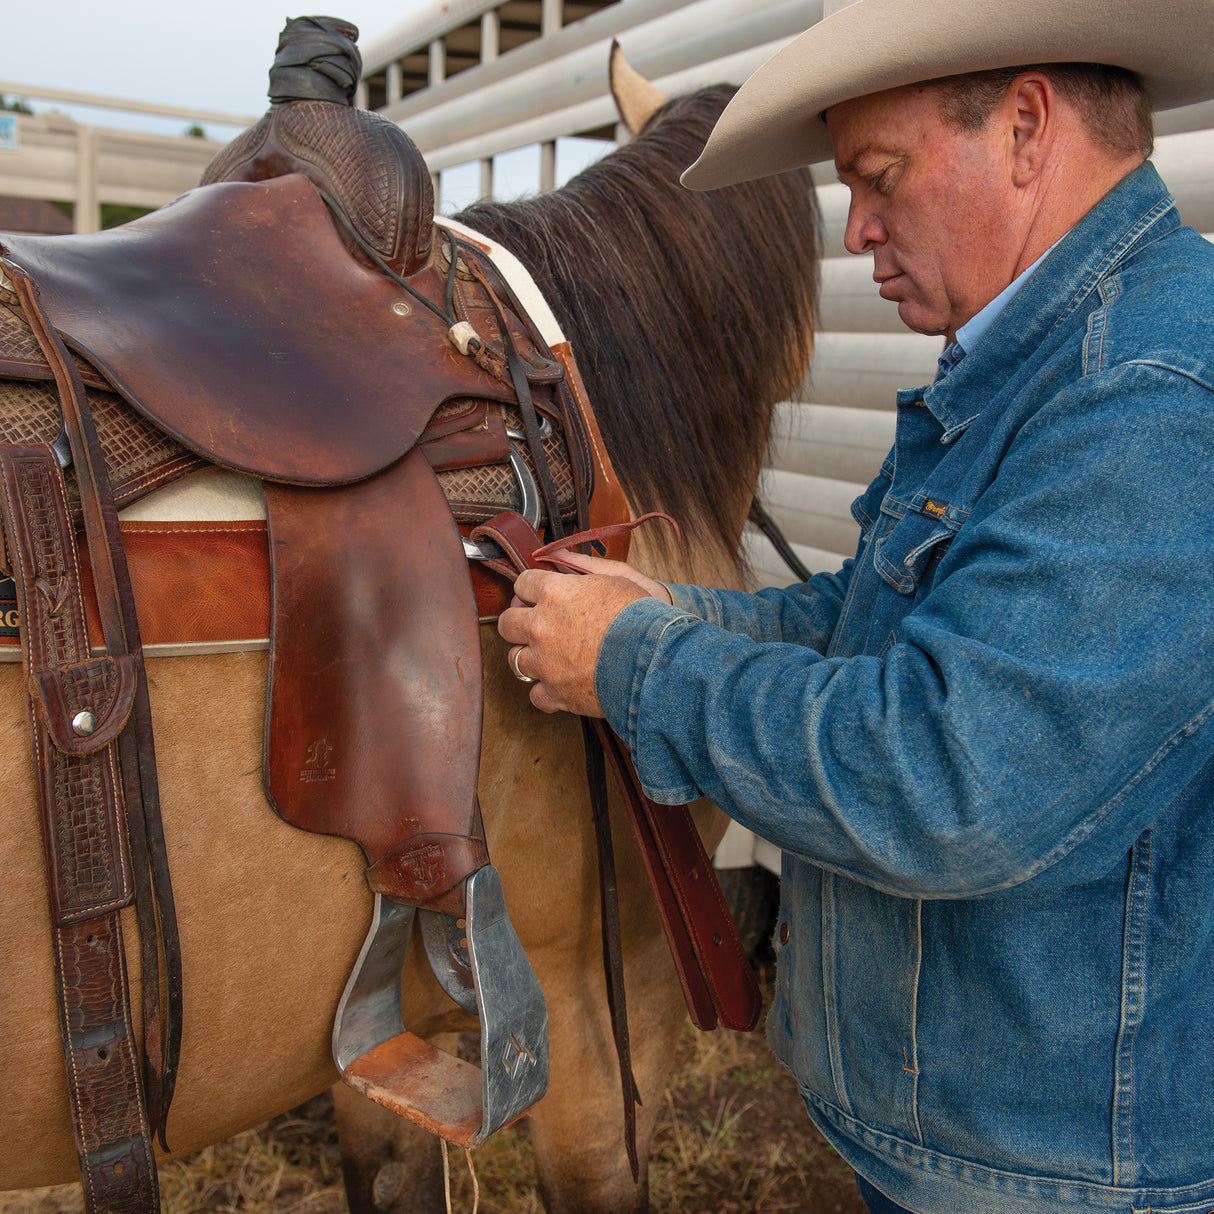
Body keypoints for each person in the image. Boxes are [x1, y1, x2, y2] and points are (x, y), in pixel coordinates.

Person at [498, 1, 1214, 1210]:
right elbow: (862, 624)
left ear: (1026, 127)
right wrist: (668, 611)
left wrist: (634, 664)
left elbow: (947, 777)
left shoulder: (1146, 400)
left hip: (1049, 1173)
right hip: (967, 1135)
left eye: (879, 179)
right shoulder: (1023, 360)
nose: (857, 230)